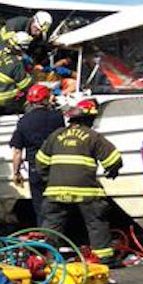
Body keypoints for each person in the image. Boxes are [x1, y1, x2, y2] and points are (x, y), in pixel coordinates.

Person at [36, 99, 121, 265]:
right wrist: (112, 171)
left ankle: (50, 258)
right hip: (86, 191)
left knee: (53, 224)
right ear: (88, 119)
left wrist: (51, 180)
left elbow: (40, 163)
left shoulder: (56, 135)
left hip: (55, 191)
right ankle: (103, 258)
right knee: (96, 221)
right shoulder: (92, 136)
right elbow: (114, 159)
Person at [9, 83, 65, 224]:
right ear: (46, 99)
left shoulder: (23, 121)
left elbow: (17, 151)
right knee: (57, 204)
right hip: (56, 166)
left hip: (36, 168)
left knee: (40, 205)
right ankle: (59, 235)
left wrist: (16, 173)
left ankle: (45, 235)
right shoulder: (57, 117)